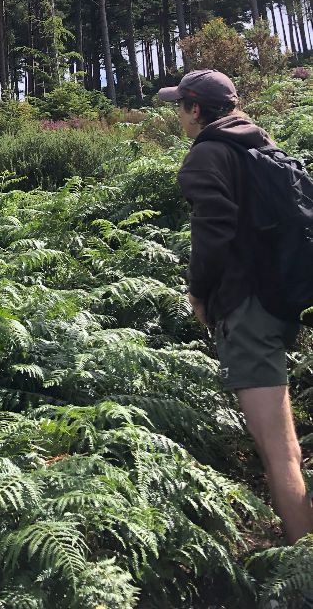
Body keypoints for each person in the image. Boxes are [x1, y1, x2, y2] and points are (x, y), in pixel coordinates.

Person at [159, 68, 313, 543]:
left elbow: (215, 232)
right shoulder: (262, 146)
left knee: (279, 451)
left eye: (180, 107)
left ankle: (302, 565)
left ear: (197, 109)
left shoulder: (206, 155)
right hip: (284, 301)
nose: (177, 116)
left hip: (247, 311)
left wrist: (199, 293)